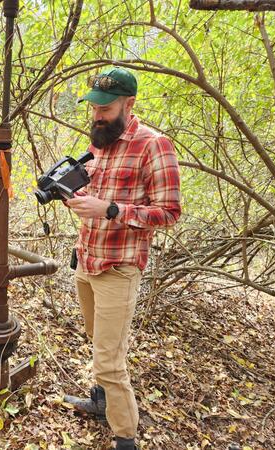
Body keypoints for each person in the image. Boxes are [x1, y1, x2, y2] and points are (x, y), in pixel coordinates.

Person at [63, 67, 181, 450]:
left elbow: (169, 213)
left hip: (120, 267)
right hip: (87, 259)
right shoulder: (100, 139)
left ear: (129, 104)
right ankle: (101, 404)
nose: (97, 115)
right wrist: (77, 199)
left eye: (106, 108)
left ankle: (125, 438)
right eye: (93, 107)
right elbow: (96, 194)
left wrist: (111, 209)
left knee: (109, 363)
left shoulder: (154, 145)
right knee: (98, 342)